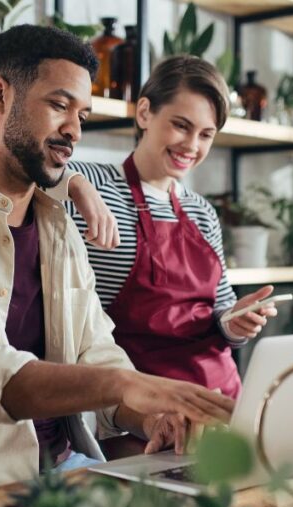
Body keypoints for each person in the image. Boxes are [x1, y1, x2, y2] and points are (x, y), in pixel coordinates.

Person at [0, 26, 235, 507]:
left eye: (82, 115)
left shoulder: (59, 226)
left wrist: (149, 417)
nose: (75, 131)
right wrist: (129, 384)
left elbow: (95, 351)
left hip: (66, 476)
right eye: (60, 106)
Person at [57, 55, 278, 399]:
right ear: (144, 113)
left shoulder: (201, 211)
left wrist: (236, 322)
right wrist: (76, 185)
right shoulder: (92, 184)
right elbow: (23, 173)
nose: (192, 146)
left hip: (221, 395)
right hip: (139, 402)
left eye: (206, 134)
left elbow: (220, 313)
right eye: (181, 125)